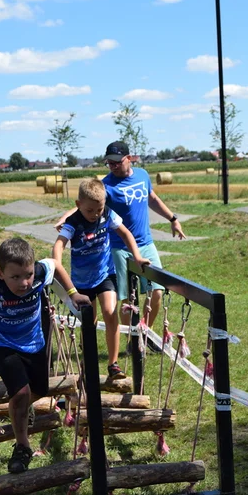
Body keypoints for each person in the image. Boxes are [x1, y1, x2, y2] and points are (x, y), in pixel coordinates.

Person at [0, 237, 91, 474]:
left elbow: (56, 263)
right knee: (21, 393)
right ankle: (22, 446)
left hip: (33, 342)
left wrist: (73, 293)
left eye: (28, 275)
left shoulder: (41, 272)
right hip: (2, 342)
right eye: (15, 277)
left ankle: (20, 408)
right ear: (0, 273)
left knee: (39, 390)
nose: (24, 283)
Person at [56, 141, 186, 349]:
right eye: (109, 163)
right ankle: (131, 341)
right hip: (117, 248)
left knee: (157, 291)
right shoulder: (106, 185)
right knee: (126, 300)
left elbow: (152, 198)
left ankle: (144, 335)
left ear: (129, 158)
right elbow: (88, 205)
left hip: (145, 242)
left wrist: (173, 218)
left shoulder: (142, 175)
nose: (113, 166)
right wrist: (65, 217)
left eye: (117, 162)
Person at [52, 177, 150, 379]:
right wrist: (57, 263)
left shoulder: (107, 214)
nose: (95, 215)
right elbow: (60, 243)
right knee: (90, 322)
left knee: (110, 311)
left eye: (99, 209)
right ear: (78, 205)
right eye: (90, 211)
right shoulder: (74, 223)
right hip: (81, 282)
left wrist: (137, 257)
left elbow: (125, 234)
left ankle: (113, 365)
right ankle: (88, 363)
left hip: (105, 274)